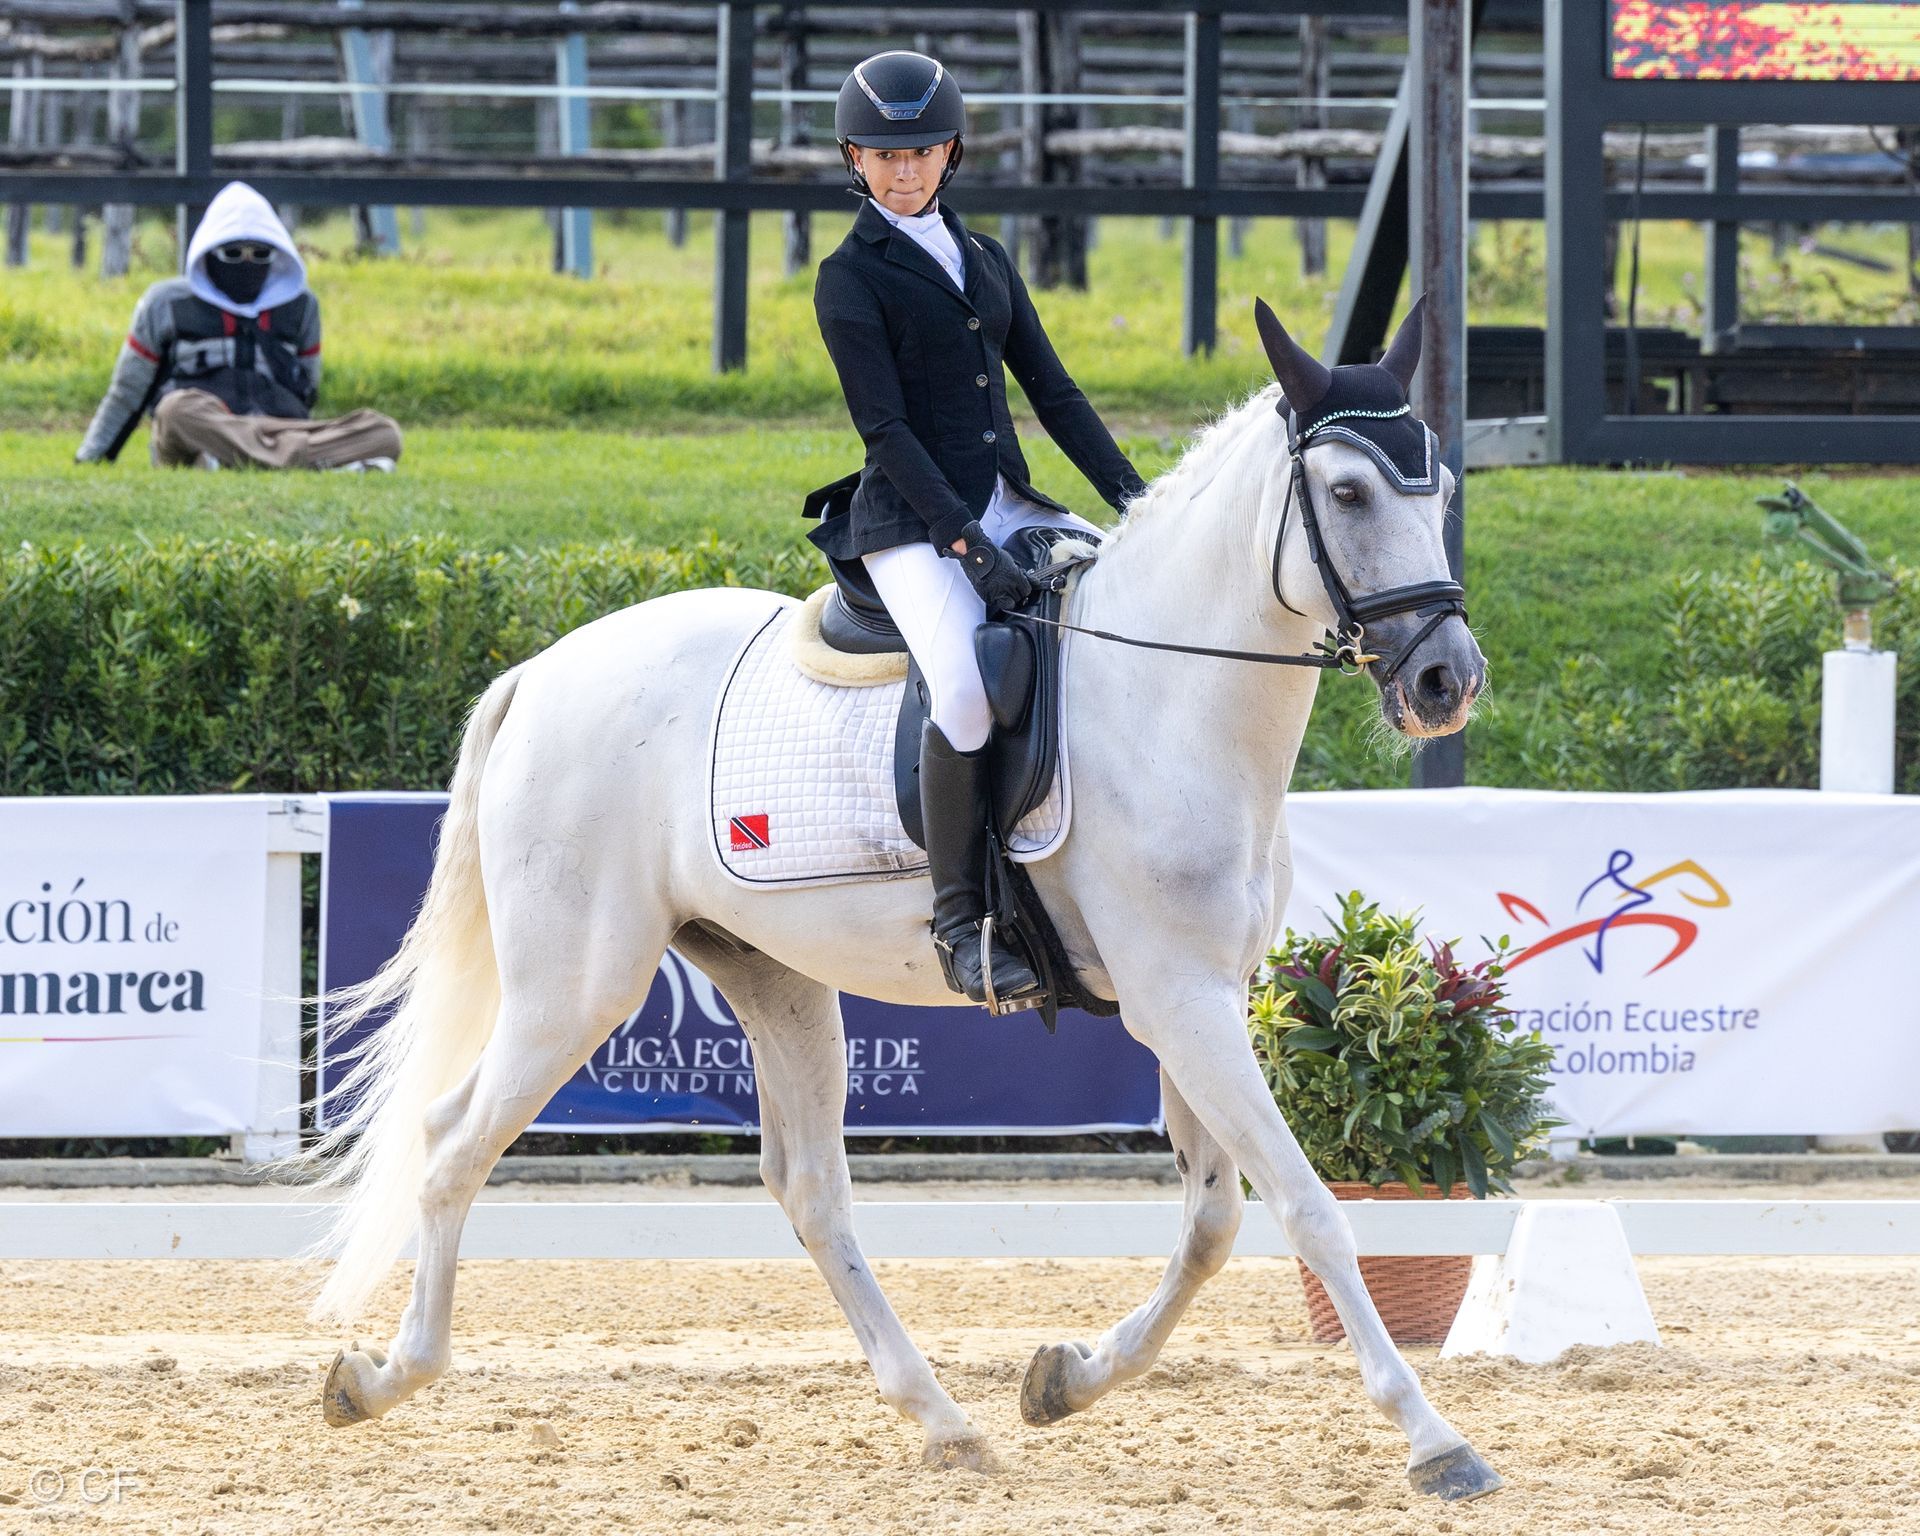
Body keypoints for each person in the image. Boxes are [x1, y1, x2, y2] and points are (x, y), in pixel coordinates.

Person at [810, 50, 1148, 1007]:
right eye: (884, 155)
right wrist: (968, 545)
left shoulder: (986, 256)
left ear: (951, 152)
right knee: (962, 692)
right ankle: (960, 924)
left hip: (1009, 495)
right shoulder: (849, 277)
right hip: (911, 519)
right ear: (855, 160)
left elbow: (1053, 389)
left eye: (920, 151)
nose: (904, 170)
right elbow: (885, 430)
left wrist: (1138, 503)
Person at [74, 180, 402, 471]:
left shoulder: (301, 306)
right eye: (232, 253)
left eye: (260, 254)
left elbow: (308, 390)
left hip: (278, 427)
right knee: (175, 410)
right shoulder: (166, 303)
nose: (247, 263)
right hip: (199, 428)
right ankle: (310, 462)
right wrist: (90, 458)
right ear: (209, 252)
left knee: (383, 431)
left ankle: (232, 462)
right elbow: (127, 394)